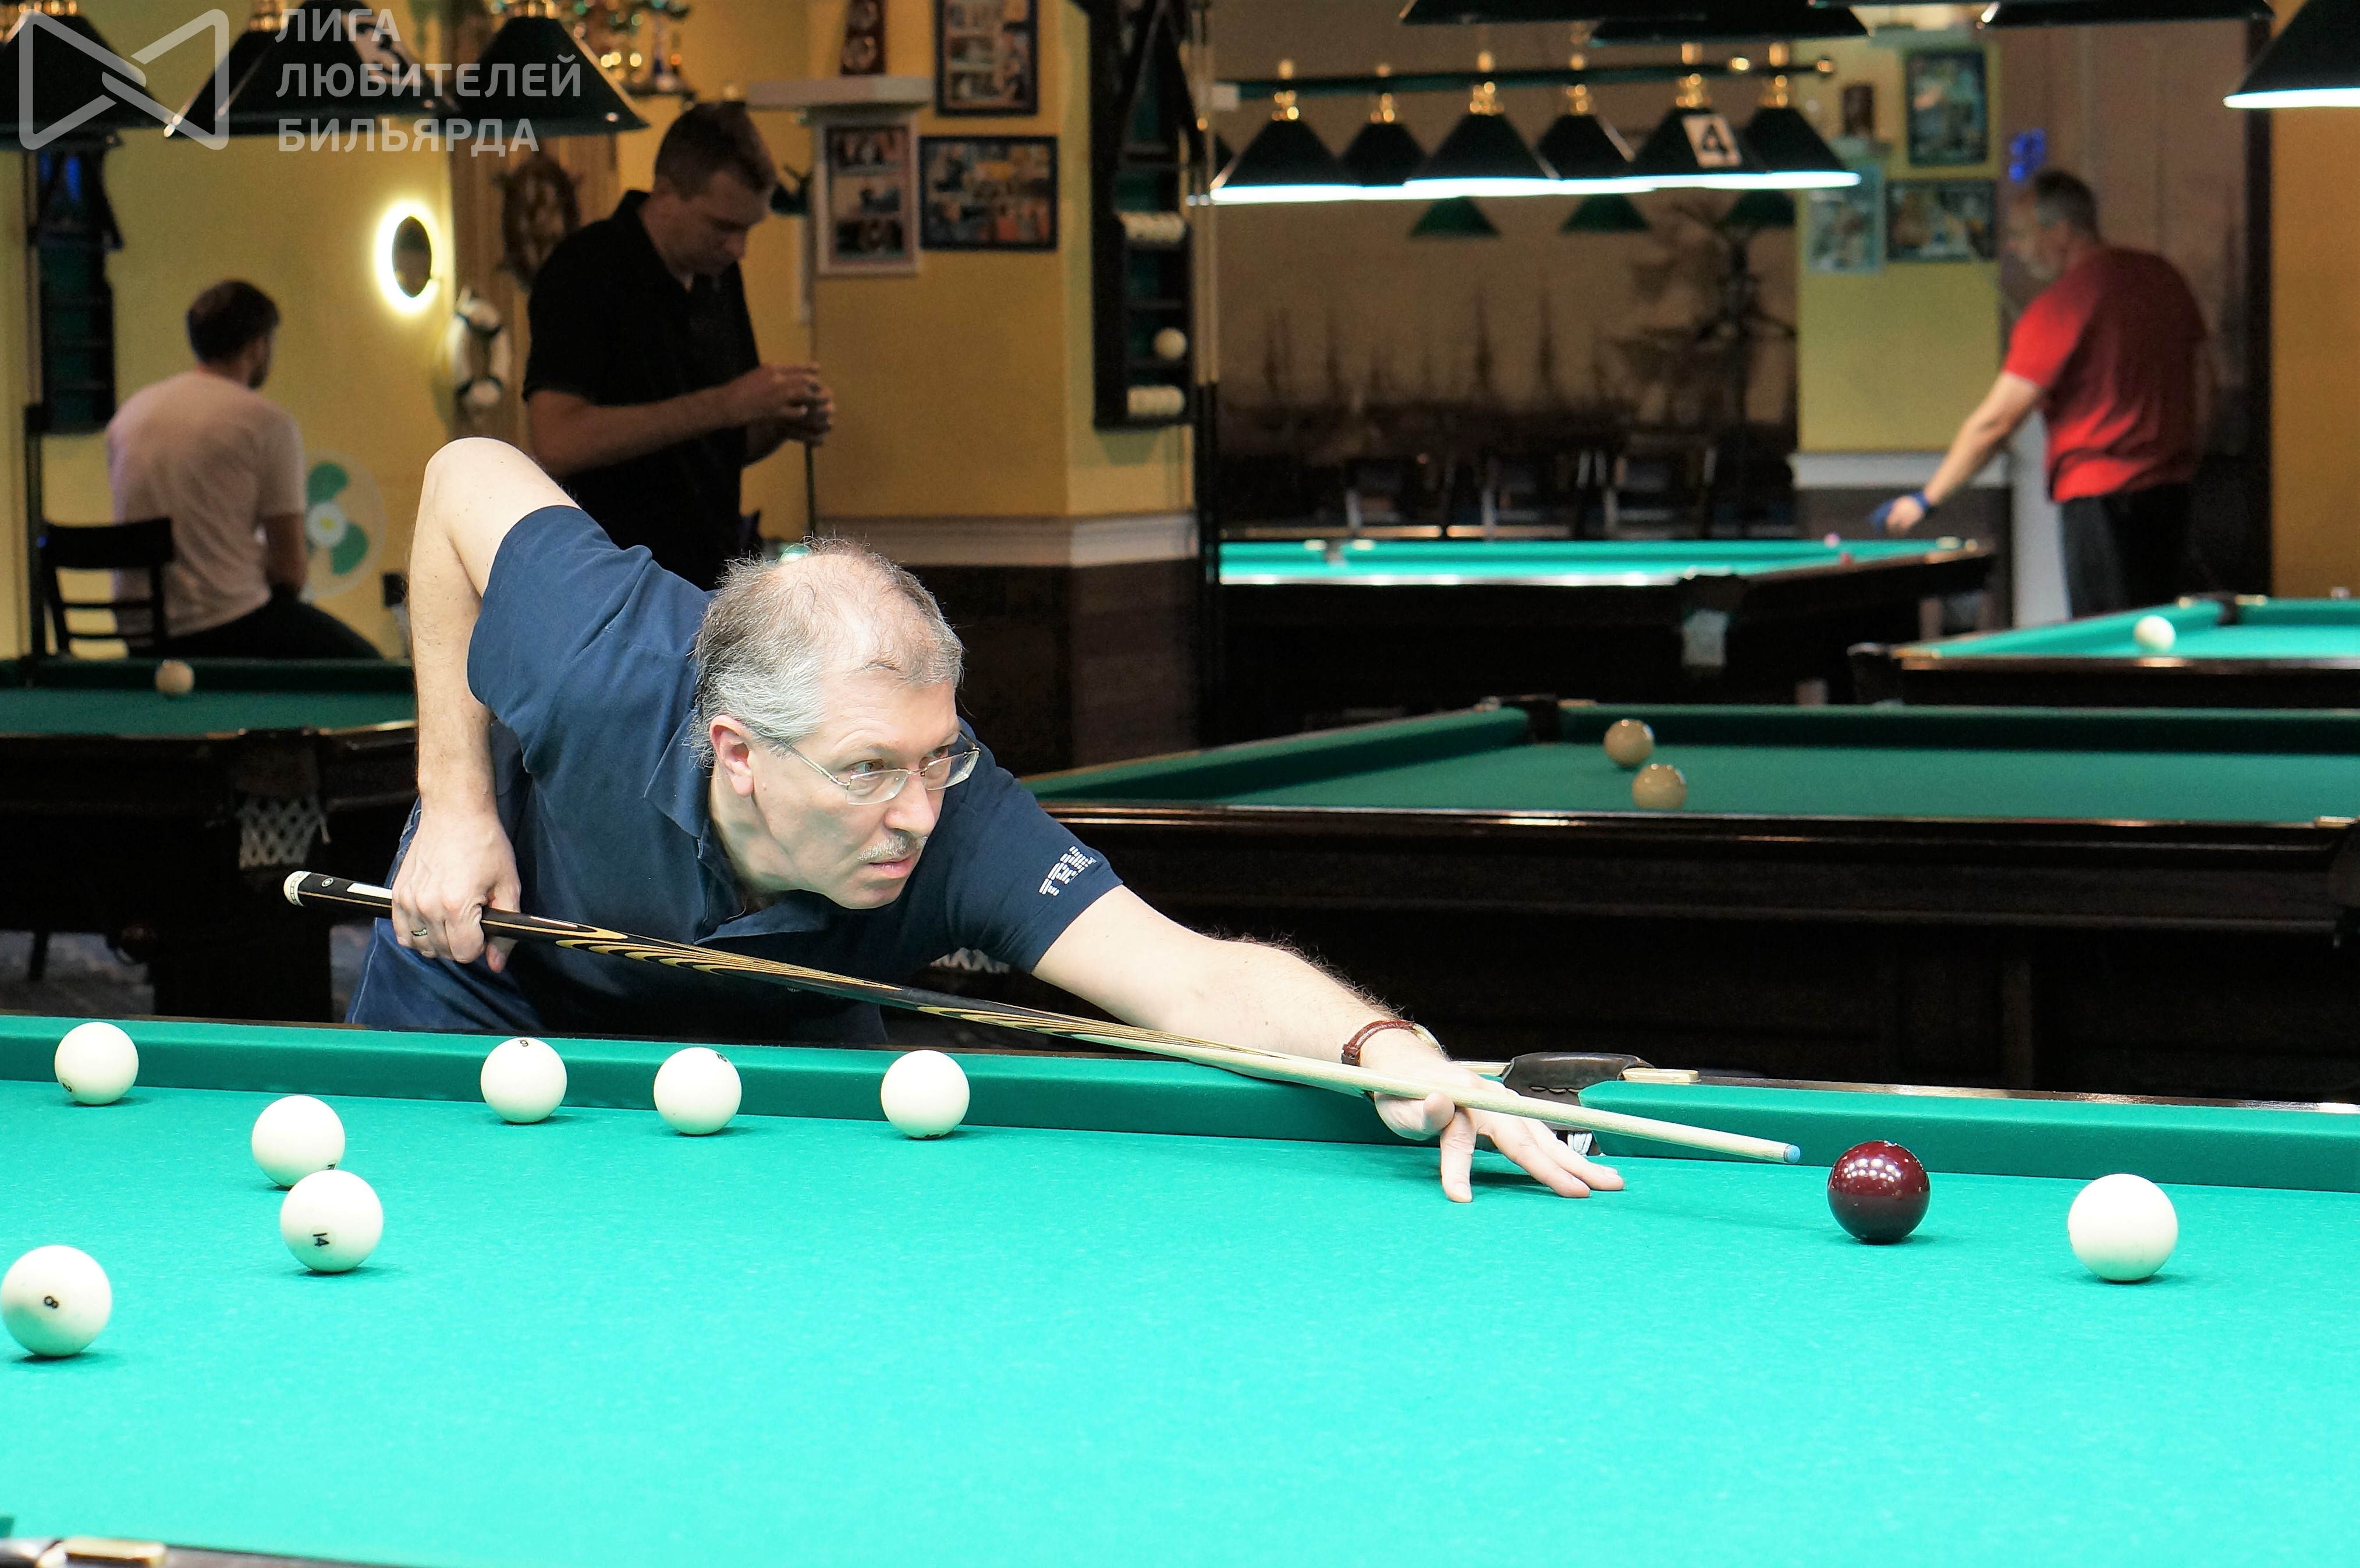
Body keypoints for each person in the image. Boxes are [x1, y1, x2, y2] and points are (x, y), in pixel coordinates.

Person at [351, 438, 1614, 1205]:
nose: (914, 813)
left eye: (935, 755)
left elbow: (1187, 974)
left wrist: (1385, 1044)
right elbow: (462, 477)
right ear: (736, 753)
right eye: (865, 771)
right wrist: (457, 804)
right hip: (488, 977)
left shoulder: (956, 819)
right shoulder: (604, 657)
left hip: (773, 1028)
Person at [1871, 170, 2213, 616]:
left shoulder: (2059, 306)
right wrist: (2188, 455)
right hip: (2172, 495)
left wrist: (1925, 499)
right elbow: (2204, 380)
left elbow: (1995, 423)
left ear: (2062, 232)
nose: (2014, 247)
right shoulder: (2162, 277)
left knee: (2105, 641)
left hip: (2098, 503)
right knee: (2166, 632)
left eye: (2021, 234)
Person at [525, 102, 834, 590]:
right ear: (666, 194)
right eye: (723, 226)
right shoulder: (587, 268)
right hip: (611, 586)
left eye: (748, 229)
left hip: (706, 579)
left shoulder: (718, 276)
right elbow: (557, 442)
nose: (738, 249)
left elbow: (714, 449)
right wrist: (727, 404)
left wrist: (780, 420)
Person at [105, 281, 381, 659]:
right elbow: (290, 571)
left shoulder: (130, 415)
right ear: (257, 346)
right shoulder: (264, 422)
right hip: (228, 627)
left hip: (139, 633)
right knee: (376, 673)